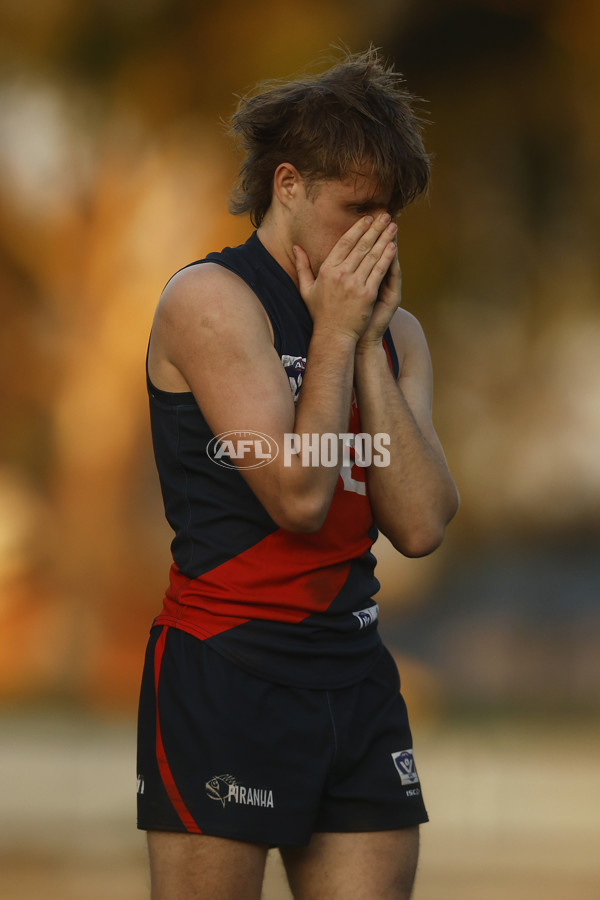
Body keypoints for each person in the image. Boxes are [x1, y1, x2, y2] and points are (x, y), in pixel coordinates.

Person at [137, 47, 459, 900]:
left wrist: (369, 351)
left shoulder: (397, 336)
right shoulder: (210, 301)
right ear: (289, 186)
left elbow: (422, 525)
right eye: (357, 207)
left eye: (390, 214)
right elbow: (301, 496)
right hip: (228, 672)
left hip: (353, 677)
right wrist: (335, 336)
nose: (376, 235)